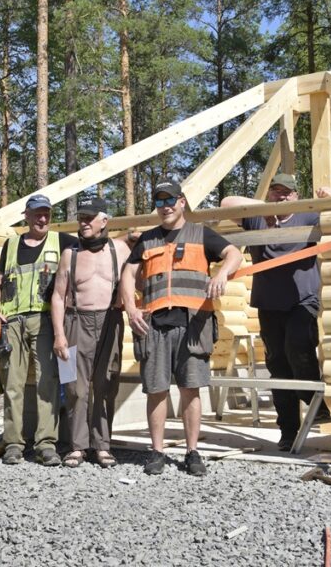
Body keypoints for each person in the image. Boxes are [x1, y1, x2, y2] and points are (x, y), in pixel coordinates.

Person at [119, 180, 242, 476]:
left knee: (190, 390)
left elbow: (234, 254)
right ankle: (157, 452)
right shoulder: (147, 239)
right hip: (154, 326)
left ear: (182, 202)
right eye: (160, 202)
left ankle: (192, 452)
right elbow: (127, 274)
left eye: (170, 200)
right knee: (156, 391)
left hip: (193, 325)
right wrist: (131, 308)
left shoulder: (201, 234)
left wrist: (222, 274)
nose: (165, 207)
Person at [221, 173, 331, 451]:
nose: (281, 197)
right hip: (269, 303)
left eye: (287, 193)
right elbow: (226, 202)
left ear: (296, 196)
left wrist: (328, 198)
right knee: (278, 365)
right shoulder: (256, 217)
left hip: (302, 300)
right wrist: (264, 209)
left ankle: (314, 402)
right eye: (276, 192)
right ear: (269, 194)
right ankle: (288, 430)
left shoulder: (306, 216)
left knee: (299, 348)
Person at [0, 194, 77, 466]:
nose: (42, 218)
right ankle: (13, 443)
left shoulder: (63, 242)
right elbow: (0, 280)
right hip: (12, 322)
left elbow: (96, 247)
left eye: (46, 213)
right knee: (13, 383)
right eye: (37, 214)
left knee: (48, 382)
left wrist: (127, 241)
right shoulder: (12, 244)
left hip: (45, 320)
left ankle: (46, 444)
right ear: (26, 216)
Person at [50, 197, 130, 468]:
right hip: (75, 322)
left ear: (104, 221)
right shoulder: (69, 255)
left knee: (106, 383)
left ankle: (103, 446)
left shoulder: (120, 249)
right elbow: (58, 297)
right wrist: (59, 335)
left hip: (110, 321)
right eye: (81, 218)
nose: (83, 222)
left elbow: (135, 282)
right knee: (74, 386)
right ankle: (77, 447)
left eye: (89, 218)